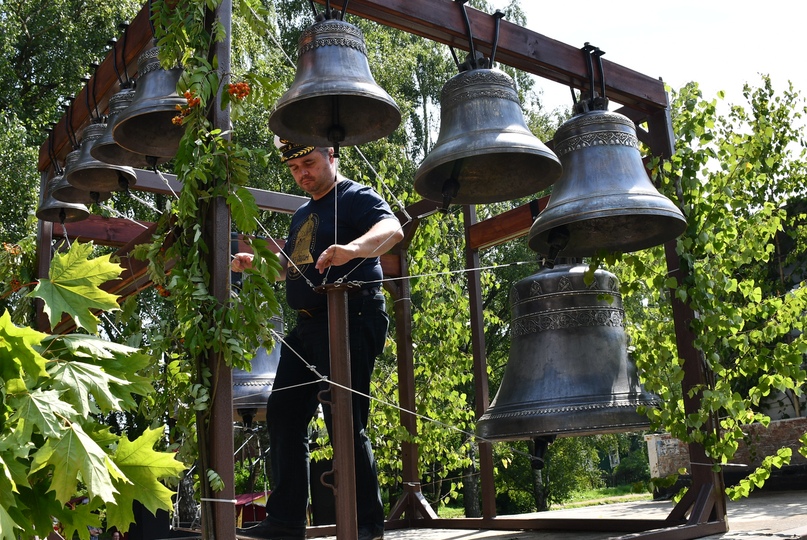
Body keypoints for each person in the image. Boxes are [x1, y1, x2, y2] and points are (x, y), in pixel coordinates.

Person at [234, 138, 403, 540]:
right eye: (294, 169)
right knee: (284, 413)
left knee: (345, 420)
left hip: (351, 314)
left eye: (308, 163)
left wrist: (351, 250)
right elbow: (291, 267)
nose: (302, 174)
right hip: (308, 324)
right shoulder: (303, 214)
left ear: (331, 156)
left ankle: (366, 526)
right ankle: (287, 521)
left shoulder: (356, 196)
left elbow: (392, 229)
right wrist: (258, 265)